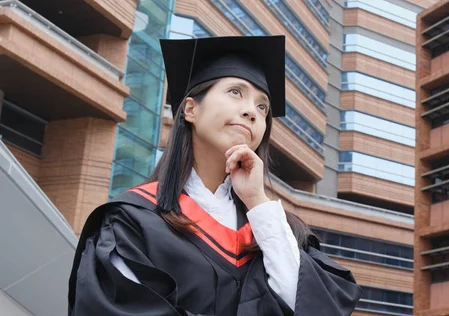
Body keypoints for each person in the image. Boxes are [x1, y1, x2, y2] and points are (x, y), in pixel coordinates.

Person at [67, 35, 362, 316]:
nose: (252, 112)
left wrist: (257, 201)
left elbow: (312, 306)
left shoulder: (278, 232)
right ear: (191, 109)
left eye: (263, 107)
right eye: (236, 92)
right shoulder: (133, 222)